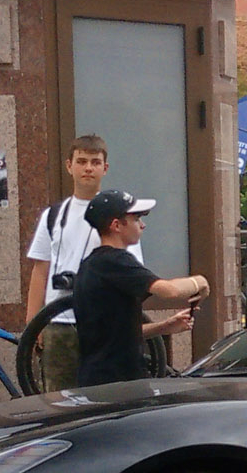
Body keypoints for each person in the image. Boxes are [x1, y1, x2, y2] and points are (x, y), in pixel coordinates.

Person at [71, 191, 206, 387]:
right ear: (116, 225)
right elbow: (168, 290)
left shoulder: (92, 264)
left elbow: (113, 333)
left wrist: (165, 326)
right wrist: (200, 282)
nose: (143, 225)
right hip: (118, 384)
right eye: (135, 219)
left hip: (98, 379)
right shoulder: (116, 260)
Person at [25, 134, 122, 392]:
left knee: (104, 397)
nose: (88, 168)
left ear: (105, 168)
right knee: (57, 400)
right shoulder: (53, 215)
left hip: (102, 323)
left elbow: (131, 272)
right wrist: (33, 325)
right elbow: (40, 269)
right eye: (81, 161)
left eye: (94, 162)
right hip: (59, 322)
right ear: (69, 166)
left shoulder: (119, 216)